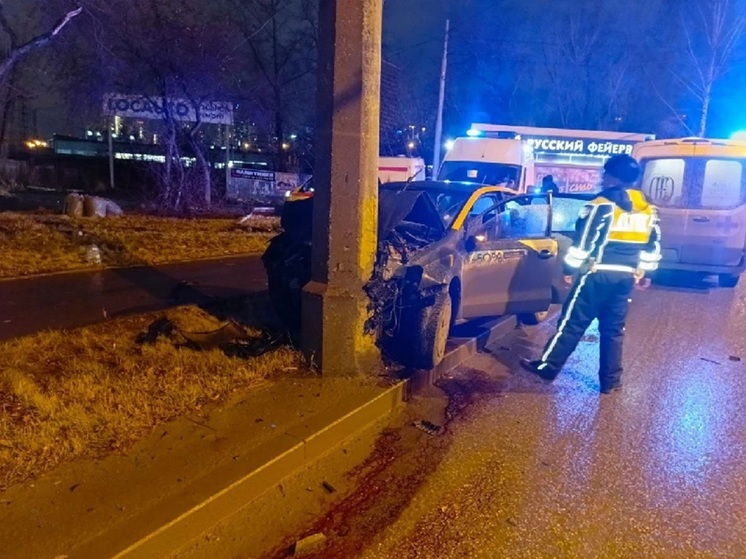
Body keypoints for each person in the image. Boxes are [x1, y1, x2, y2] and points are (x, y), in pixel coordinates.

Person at [520, 154, 661, 394]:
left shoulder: (601, 205)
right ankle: (611, 381)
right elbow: (653, 243)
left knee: (572, 323)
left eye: (606, 173)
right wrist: (646, 271)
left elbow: (584, 241)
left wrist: (569, 269)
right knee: (613, 330)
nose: (603, 177)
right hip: (625, 277)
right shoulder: (648, 209)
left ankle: (547, 367)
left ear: (614, 177)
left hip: (595, 274)